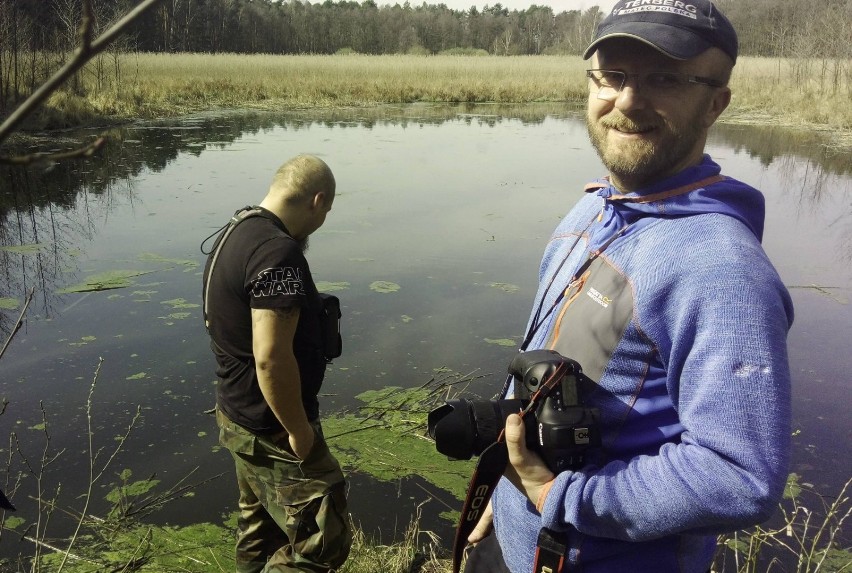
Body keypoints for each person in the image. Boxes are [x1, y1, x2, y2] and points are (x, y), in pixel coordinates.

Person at [465, 2, 795, 572]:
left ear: (716, 101)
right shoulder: (592, 210)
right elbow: (550, 368)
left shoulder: (721, 271)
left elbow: (739, 474)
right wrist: (507, 482)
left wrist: (556, 497)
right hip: (522, 536)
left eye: (664, 79)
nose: (628, 100)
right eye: (612, 76)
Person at [202, 154, 351, 573]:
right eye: (327, 212)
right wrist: (299, 430)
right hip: (272, 426)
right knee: (324, 540)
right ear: (317, 201)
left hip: (237, 413)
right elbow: (270, 358)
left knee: (260, 527)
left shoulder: (236, 231)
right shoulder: (278, 254)